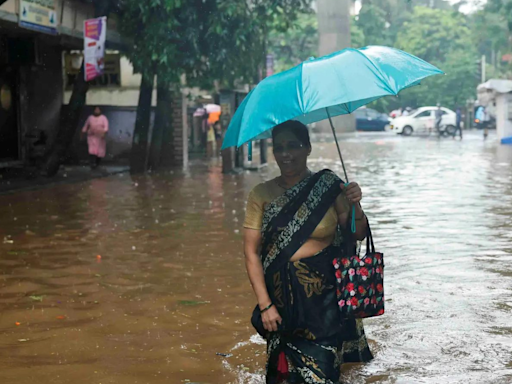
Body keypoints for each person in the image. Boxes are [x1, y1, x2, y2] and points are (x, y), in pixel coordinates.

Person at [243, 120, 373, 383]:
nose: (286, 154)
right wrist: (265, 304)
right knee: (283, 375)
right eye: (279, 148)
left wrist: (356, 205)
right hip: (281, 302)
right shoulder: (261, 194)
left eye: (293, 145)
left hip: (324, 299)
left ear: (308, 148)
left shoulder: (328, 186)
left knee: (323, 372)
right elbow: (251, 253)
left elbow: (356, 233)